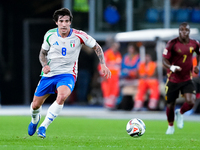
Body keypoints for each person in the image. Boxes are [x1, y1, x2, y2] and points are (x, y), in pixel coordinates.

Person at [28, 8, 111, 138]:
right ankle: (34, 120)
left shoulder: (79, 35)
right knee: (35, 105)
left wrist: (103, 64)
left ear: (70, 22)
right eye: (61, 21)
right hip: (49, 74)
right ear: (56, 22)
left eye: (67, 21)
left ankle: (43, 127)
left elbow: (97, 46)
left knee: (61, 97)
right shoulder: (49, 35)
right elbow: (42, 53)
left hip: (67, 74)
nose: (64, 24)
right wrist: (44, 65)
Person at [162, 22, 200, 134]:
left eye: (186, 30)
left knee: (191, 101)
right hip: (173, 79)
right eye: (182, 30)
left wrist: (197, 65)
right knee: (170, 104)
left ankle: (181, 113)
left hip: (187, 78)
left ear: (189, 31)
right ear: (179, 31)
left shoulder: (194, 43)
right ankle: (170, 126)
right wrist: (171, 67)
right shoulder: (172, 44)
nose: (184, 32)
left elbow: (198, 53)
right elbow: (164, 60)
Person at [99, 42, 122, 109]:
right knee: (107, 90)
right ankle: (107, 105)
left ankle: (112, 105)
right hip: (107, 76)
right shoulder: (107, 54)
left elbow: (119, 66)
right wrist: (102, 75)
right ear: (112, 46)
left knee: (115, 91)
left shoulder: (118, 54)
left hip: (116, 77)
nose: (117, 48)